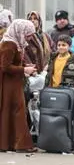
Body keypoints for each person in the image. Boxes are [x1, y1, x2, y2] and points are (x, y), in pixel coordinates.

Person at [0, 19, 37, 152]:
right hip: (9, 84)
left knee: (15, 111)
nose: (30, 37)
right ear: (20, 31)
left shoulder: (14, 43)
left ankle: (14, 144)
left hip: (13, 83)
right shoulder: (9, 44)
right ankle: (20, 145)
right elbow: (5, 66)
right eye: (28, 34)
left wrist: (25, 67)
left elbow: (11, 64)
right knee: (16, 111)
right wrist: (24, 70)